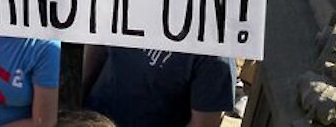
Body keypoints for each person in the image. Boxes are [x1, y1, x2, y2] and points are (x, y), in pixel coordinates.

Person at [82, 46, 235, 127]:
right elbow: (99, 45)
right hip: (92, 119)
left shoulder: (215, 53)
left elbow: (202, 124)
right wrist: (78, 104)